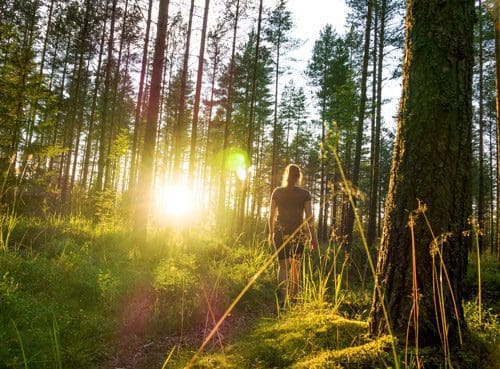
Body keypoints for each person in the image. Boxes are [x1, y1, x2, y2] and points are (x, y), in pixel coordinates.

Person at [268, 164, 318, 309]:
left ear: (286, 175)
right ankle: (293, 298)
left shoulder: (277, 192)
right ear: (298, 177)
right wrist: (313, 237)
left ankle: (283, 301)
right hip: (299, 233)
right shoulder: (305, 194)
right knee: (296, 265)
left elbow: (271, 215)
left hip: (280, 232)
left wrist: (271, 233)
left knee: (282, 266)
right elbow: (309, 217)